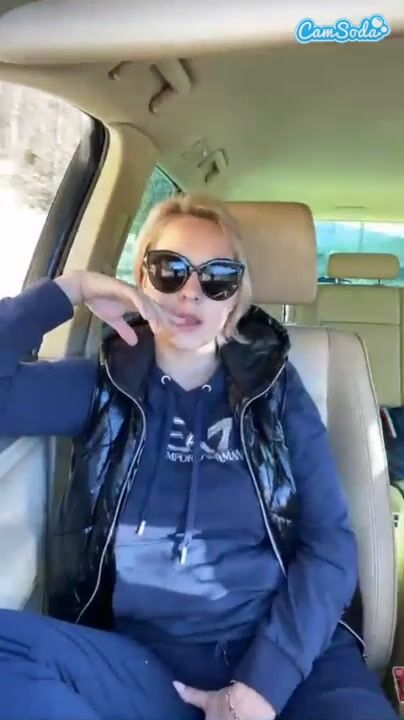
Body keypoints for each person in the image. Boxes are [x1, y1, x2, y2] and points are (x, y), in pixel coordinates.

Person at [0, 194, 397, 720]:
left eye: (217, 278)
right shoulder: (99, 387)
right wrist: (69, 290)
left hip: (292, 657)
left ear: (234, 299)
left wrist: (263, 685)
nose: (190, 291)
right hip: (144, 664)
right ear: (140, 279)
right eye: (170, 269)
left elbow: (330, 543)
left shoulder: (278, 392)